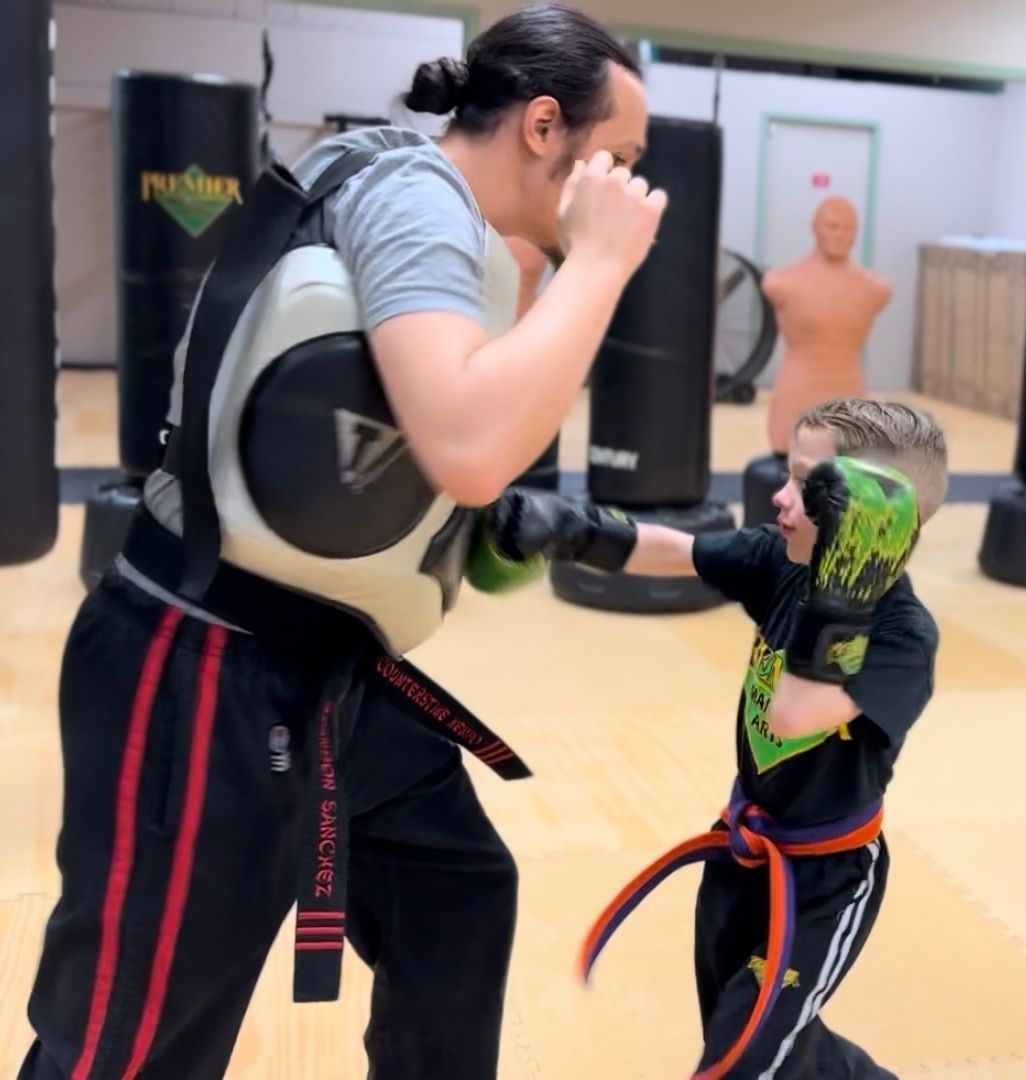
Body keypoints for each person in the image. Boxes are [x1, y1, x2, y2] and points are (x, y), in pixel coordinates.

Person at [19, 6, 667, 1079]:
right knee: (139, 1040)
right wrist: (601, 265)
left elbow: (469, 474)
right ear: (546, 127)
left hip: (319, 668)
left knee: (453, 894)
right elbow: (466, 446)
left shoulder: (451, 223)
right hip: (202, 666)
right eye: (622, 157)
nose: (631, 187)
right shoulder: (419, 203)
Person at [486, 398, 946, 1077]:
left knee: (738, 1060)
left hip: (824, 884)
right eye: (788, 475)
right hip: (741, 852)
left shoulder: (903, 636)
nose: (781, 496)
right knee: (755, 1038)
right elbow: (679, 550)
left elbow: (793, 714)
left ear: (869, 518)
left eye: (809, 486)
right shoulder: (782, 562)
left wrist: (846, 582)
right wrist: (569, 529)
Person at [763, 197, 893, 456]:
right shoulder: (782, 283)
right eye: (832, 226)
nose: (839, 235)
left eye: (847, 228)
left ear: (856, 233)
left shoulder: (875, 289)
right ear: (815, 227)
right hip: (796, 396)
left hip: (847, 396)